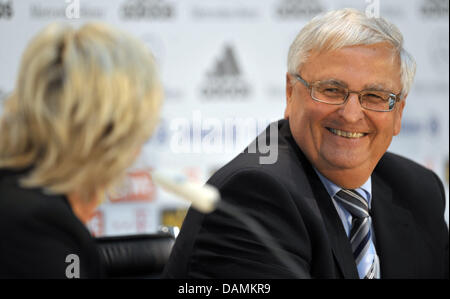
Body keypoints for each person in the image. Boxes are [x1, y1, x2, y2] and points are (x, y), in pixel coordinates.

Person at [163, 8, 449, 279]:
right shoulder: (253, 195)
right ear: (290, 93)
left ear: (398, 112)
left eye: (375, 96)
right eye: (332, 90)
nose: (350, 115)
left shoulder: (418, 189)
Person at [0, 22, 162, 278]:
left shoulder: (22, 200)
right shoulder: (36, 228)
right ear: (108, 133)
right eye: (138, 132)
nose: (136, 151)